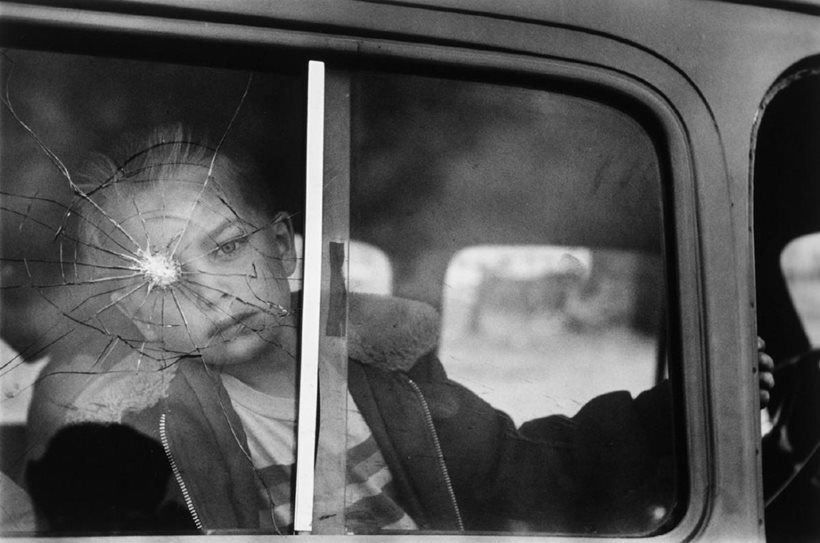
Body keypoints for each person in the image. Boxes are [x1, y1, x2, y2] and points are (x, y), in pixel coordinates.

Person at [25, 126, 775, 535]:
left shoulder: (398, 384)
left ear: (283, 247)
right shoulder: (151, 434)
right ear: (142, 311)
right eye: (167, 278)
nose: (217, 292)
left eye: (226, 248)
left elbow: (543, 470)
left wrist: (684, 415)